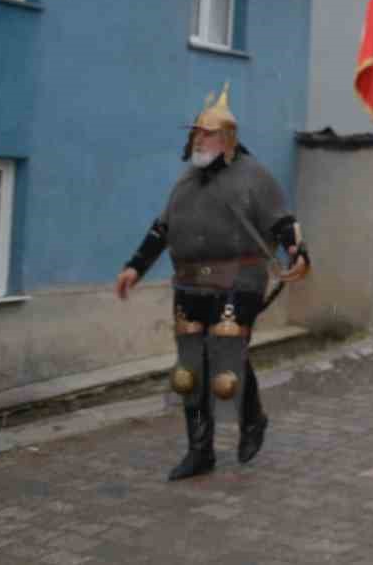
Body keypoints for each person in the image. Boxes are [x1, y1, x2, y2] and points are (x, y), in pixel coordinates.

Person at [115, 86, 309, 480]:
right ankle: (199, 451)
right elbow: (162, 228)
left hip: (239, 279)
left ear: (228, 140)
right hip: (189, 282)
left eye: (207, 134)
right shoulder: (186, 182)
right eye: (196, 134)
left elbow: (282, 222)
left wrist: (298, 252)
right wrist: (135, 266)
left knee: (224, 365)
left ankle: (251, 419)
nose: (198, 140)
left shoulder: (254, 176)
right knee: (189, 371)